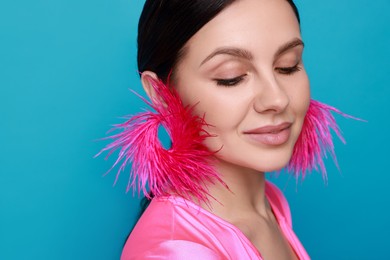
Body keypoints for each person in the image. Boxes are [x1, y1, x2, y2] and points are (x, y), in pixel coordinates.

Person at [97, 0, 351, 259]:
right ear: (161, 93)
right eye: (232, 77)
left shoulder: (271, 203)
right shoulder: (174, 250)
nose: (277, 99)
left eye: (288, 65)